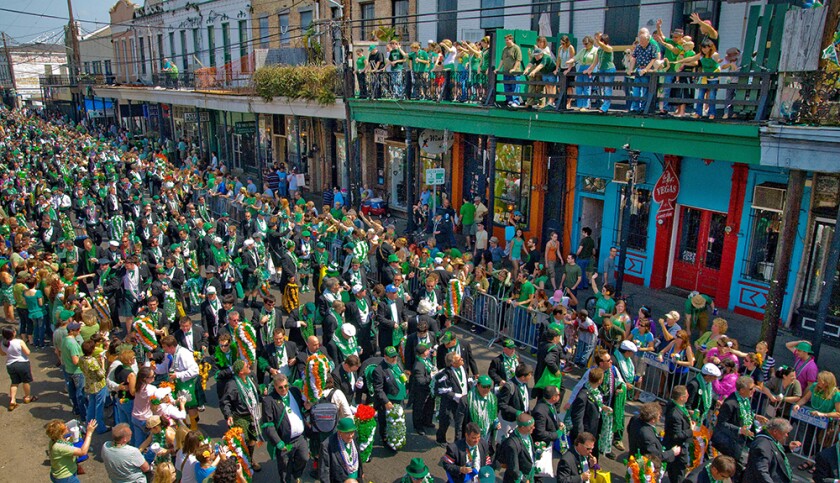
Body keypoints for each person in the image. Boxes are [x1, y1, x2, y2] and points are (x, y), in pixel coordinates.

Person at [712, 376, 768, 476]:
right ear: (742, 390)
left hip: (741, 441)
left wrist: (755, 416)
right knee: (733, 470)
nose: (753, 391)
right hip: (729, 443)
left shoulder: (745, 400)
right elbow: (721, 424)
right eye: (751, 389)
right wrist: (739, 430)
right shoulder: (730, 403)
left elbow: (744, 413)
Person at [261, 373, 309, 483]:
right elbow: (268, 425)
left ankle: (297, 474)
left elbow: (302, 410)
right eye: (280, 387)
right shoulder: (269, 400)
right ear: (275, 387)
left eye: (286, 386)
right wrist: (278, 442)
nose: (284, 389)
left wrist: (306, 408)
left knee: (304, 458)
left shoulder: (295, 391)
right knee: (284, 467)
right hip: (284, 441)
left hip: (300, 437)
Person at [220, 360, 262, 470]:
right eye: (246, 366)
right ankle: (243, 463)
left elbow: (256, 391)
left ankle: (251, 459)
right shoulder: (232, 385)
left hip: (253, 415)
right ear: (240, 372)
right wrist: (228, 415)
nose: (249, 365)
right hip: (240, 417)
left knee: (252, 439)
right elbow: (225, 402)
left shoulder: (251, 378)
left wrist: (263, 391)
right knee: (242, 442)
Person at [742, 417, 801, 483]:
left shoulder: (770, 439)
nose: (786, 435)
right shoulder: (761, 446)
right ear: (775, 431)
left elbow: (773, 451)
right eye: (785, 433)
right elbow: (761, 471)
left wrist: (788, 448)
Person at [46, 418, 98, 483]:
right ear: (60, 433)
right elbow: (83, 452)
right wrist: (89, 433)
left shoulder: (53, 441)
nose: (67, 427)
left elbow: (65, 443)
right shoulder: (59, 447)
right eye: (65, 427)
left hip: (58, 474)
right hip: (66, 478)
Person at [663, 386, 696, 483]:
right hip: (678, 447)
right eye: (686, 395)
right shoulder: (675, 414)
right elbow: (677, 435)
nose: (688, 396)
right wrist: (691, 430)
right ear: (681, 398)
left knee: (673, 470)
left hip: (675, 445)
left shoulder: (676, 405)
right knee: (679, 473)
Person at [0, 326, 35, 411]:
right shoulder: (19, 341)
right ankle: (27, 397)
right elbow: (28, 352)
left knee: (14, 383)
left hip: (10, 365)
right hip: (22, 363)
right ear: (13, 333)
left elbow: (2, 354)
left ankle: (12, 400)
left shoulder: (2, 343)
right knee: (26, 381)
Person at [320, 417, 364, 482]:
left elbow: (358, 457)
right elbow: (324, 470)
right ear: (339, 432)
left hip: (356, 478)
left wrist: (361, 472)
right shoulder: (327, 445)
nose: (350, 436)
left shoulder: (353, 438)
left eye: (352, 432)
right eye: (347, 433)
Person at [627, 28, 660, 113]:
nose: (641, 42)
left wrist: (646, 69)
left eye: (643, 41)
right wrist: (631, 69)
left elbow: (653, 59)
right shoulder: (638, 47)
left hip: (647, 69)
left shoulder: (652, 47)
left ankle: (643, 108)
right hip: (638, 68)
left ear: (647, 40)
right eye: (640, 40)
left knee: (645, 90)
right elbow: (633, 58)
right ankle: (635, 107)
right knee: (636, 90)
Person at [499, 413, 537, 483]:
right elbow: (513, 468)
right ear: (522, 428)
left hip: (529, 474)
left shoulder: (528, 434)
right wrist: (524, 480)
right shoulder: (512, 444)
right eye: (531, 427)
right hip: (517, 480)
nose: (533, 428)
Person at [498, 34, 523, 107]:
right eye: (505, 40)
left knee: (514, 86)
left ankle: (516, 101)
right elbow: (502, 59)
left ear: (511, 40)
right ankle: (509, 100)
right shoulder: (505, 49)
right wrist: (498, 68)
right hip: (506, 71)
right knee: (507, 86)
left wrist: (514, 69)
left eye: (507, 40)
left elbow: (518, 60)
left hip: (514, 72)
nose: (506, 41)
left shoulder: (516, 48)